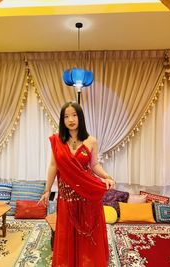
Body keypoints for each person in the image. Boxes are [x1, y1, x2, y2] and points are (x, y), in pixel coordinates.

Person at [40, 101, 116, 267]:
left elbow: (94, 165)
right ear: (62, 120)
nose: (71, 119)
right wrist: (47, 191)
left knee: (88, 235)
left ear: (80, 117)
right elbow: (53, 166)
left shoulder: (91, 141)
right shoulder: (57, 140)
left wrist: (107, 176)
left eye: (74, 115)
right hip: (66, 197)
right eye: (66, 116)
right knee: (67, 235)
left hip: (87, 196)